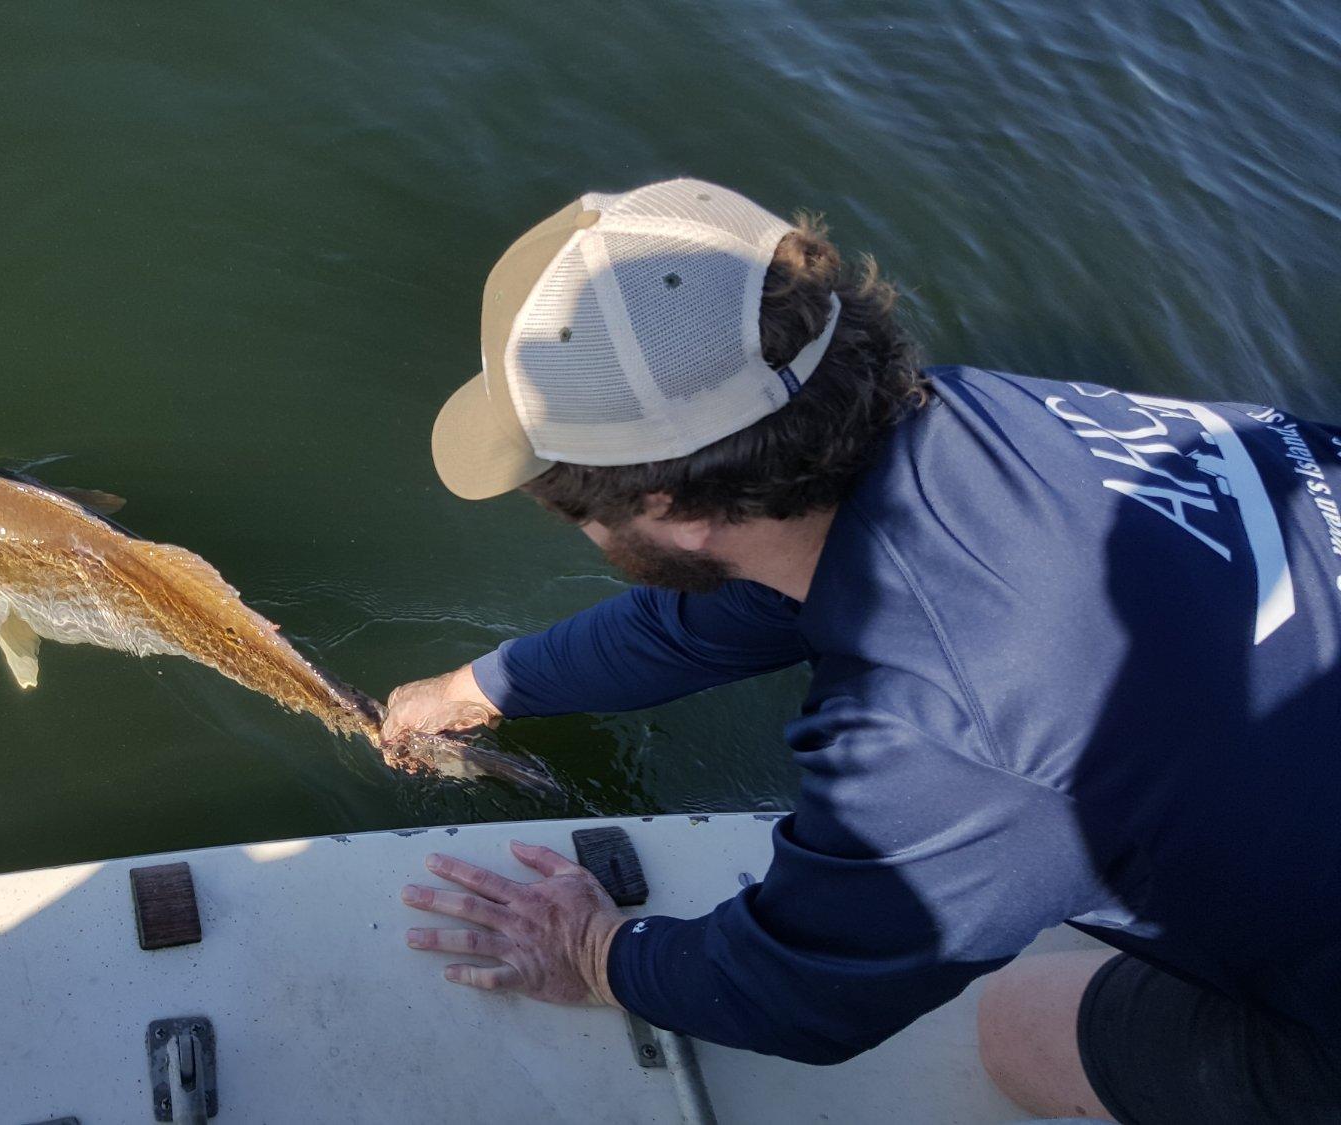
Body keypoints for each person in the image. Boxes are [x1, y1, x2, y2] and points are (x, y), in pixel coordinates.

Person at [386, 178, 1341, 1123]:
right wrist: (481, 685)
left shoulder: (949, 724)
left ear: (666, 511)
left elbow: (797, 995)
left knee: (1020, 1032)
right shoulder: (964, 416)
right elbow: (730, 609)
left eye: (573, 502)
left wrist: (595, 950)